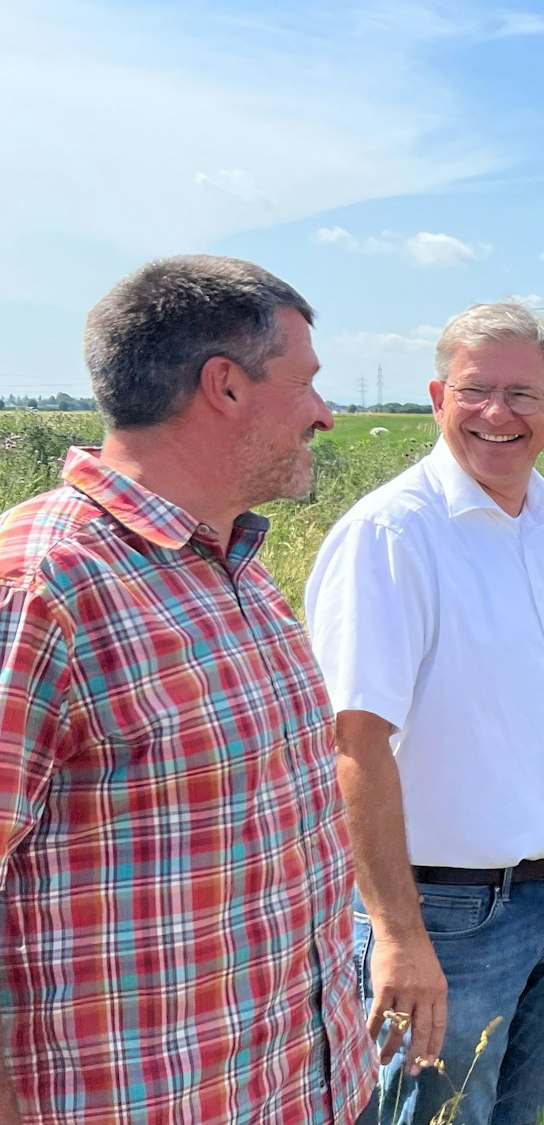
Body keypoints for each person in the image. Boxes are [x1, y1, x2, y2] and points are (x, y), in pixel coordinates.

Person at [0, 255, 366, 1123]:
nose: (324, 411)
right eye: (306, 382)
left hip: (301, 1086)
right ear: (225, 385)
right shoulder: (43, 585)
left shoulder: (239, 568)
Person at [304, 302, 544, 1125]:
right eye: (475, 389)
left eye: (522, 394)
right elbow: (353, 745)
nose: (496, 412)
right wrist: (396, 933)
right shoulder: (393, 535)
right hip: (446, 916)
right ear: (439, 397)